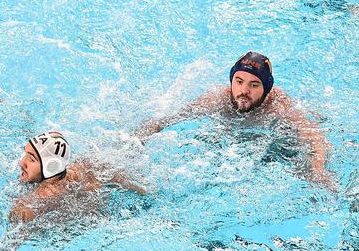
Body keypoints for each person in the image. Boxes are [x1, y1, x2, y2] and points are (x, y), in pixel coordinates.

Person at [135, 51, 334, 189]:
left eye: (254, 85)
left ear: (266, 89)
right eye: (239, 82)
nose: (244, 91)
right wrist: (135, 142)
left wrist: (318, 168)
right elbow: (166, 119)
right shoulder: (216, 99)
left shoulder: (278, 106)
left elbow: (314, 136)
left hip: (274, 145)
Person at [10, 131, 147, 224]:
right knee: (134, 142)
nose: (22, 162)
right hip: (102, 177)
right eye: (25, 154)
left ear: (51, 166)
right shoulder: (84, 168)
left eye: (31, 159)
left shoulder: (38, 201)